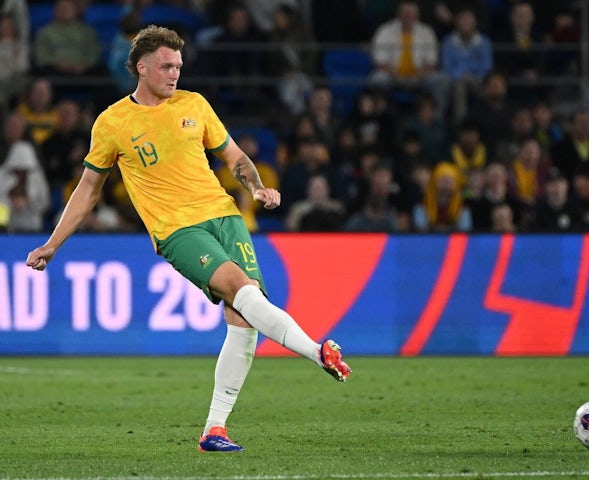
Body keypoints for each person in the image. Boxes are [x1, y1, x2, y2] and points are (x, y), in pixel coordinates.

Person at [25, 25, 351, 453]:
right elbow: (88, 190)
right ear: (142, 68)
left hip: (225, 217)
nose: (175, 73)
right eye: (166, 65)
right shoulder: (113, 122)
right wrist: (52, 244)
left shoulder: (194, 104)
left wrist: (254, 187)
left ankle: (214, 430)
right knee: (242, 289)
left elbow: (234, 156)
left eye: (178, 65)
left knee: (243, 321)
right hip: (177, 229)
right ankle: (315, 350)